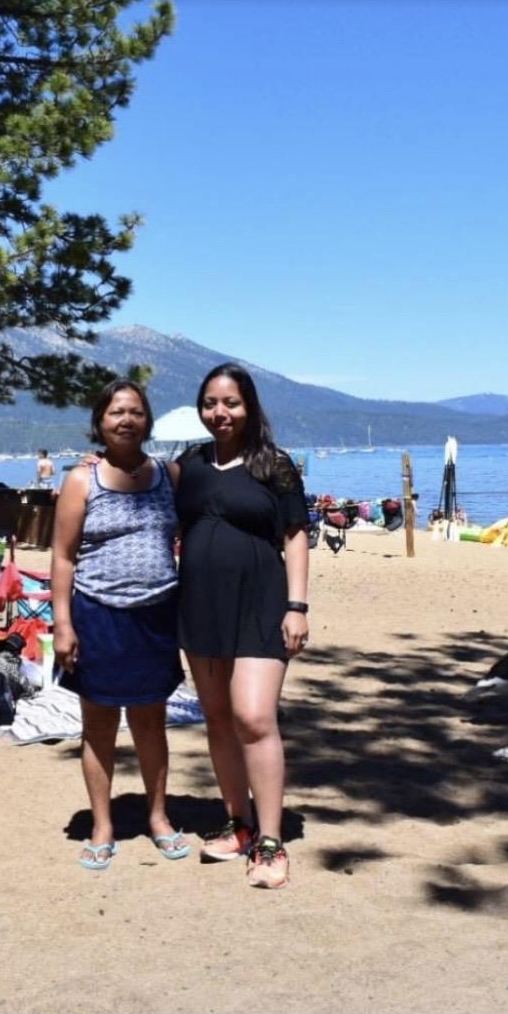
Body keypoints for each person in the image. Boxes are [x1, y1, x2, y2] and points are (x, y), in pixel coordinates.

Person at [175, 363, 311, 889]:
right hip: (199, 605)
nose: (220, 412)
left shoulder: (272, 465)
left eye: (230, 402)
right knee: (217, 720)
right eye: (210, 402)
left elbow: (296, 535)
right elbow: (146, 490)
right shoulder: (188, 464)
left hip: (261, 603)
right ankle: (238, 824)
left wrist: (297, 607)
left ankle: (272, 841)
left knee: (254, 717)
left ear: (249, 406)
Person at [50, 381, 189, 870]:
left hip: (155, 615)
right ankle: (102, 825)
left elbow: (195, 536)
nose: (125, 419)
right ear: (100, 421)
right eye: (116, 412)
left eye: (135, 411)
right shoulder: (81, 480)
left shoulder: (169, 476)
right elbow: (63, 558)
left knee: (152, 724)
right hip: (97, 615)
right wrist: (62, 624)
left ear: (148, 420)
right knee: (100, 726)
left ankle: (158, 818)